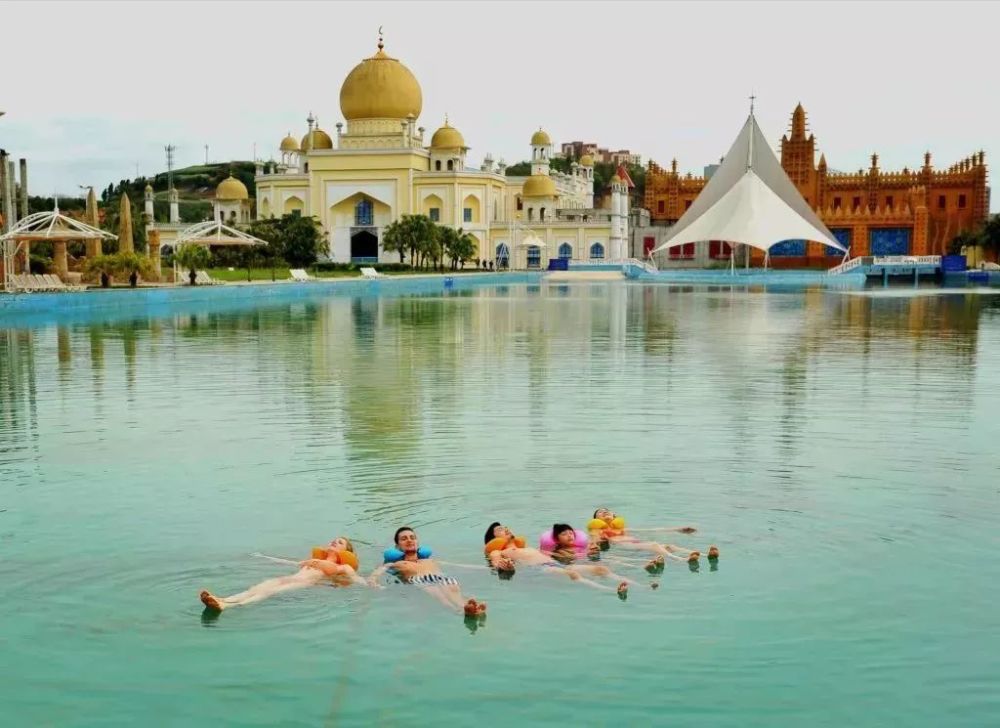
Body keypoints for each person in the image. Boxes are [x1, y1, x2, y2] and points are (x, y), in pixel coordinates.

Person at [199, 536, 367, 613]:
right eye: (334, 540)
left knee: (267, 592)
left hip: (300, 584)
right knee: (255, 588)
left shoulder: (343, 566)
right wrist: (263, 557)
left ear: (346, 551)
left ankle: (227, 606)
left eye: (340, 542)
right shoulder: (313, 560)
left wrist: (373, 585)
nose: (334, 542)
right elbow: (291, 563)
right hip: (288, 578)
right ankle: (222, 599)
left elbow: (356, 578)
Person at [487, 522, 633, 597]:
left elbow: (557, 554)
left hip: (552, 563)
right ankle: (612, 590)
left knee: (601, 569)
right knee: (573, 574)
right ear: (493, 539)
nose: (505, 529)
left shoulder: (526, 547)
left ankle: (639, 587)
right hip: (539, 569)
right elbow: (496, 562)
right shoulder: (497, 551)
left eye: (505, 527)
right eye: (499, 529)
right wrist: (503, 565)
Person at [367, 526, 486, 617]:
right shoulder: (394, 564)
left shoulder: (430, 561)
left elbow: (459, 566)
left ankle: (466, 607)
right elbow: (376, 573)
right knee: (439, 594)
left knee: (453, 590)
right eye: (404, 539)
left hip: (442, 577)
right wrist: (374, 582)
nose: (409, 540)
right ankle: (460, 611)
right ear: (398, 546)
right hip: (421, 580)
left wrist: (487, 568)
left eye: (412, 537)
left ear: (417, 542)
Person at [588, 507, 719, 568]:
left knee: (669, 546)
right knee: (655, 545)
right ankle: (683, 560)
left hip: (635, 543)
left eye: (607, 510)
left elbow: (651, 530)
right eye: (600, 512)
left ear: (614, 515)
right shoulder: (597, 530)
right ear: (596, 519)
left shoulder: (620, 528)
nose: (604, 511)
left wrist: (678, 529)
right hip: (623, 546)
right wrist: (597, 543)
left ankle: (704, 555)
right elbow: (594, 541)